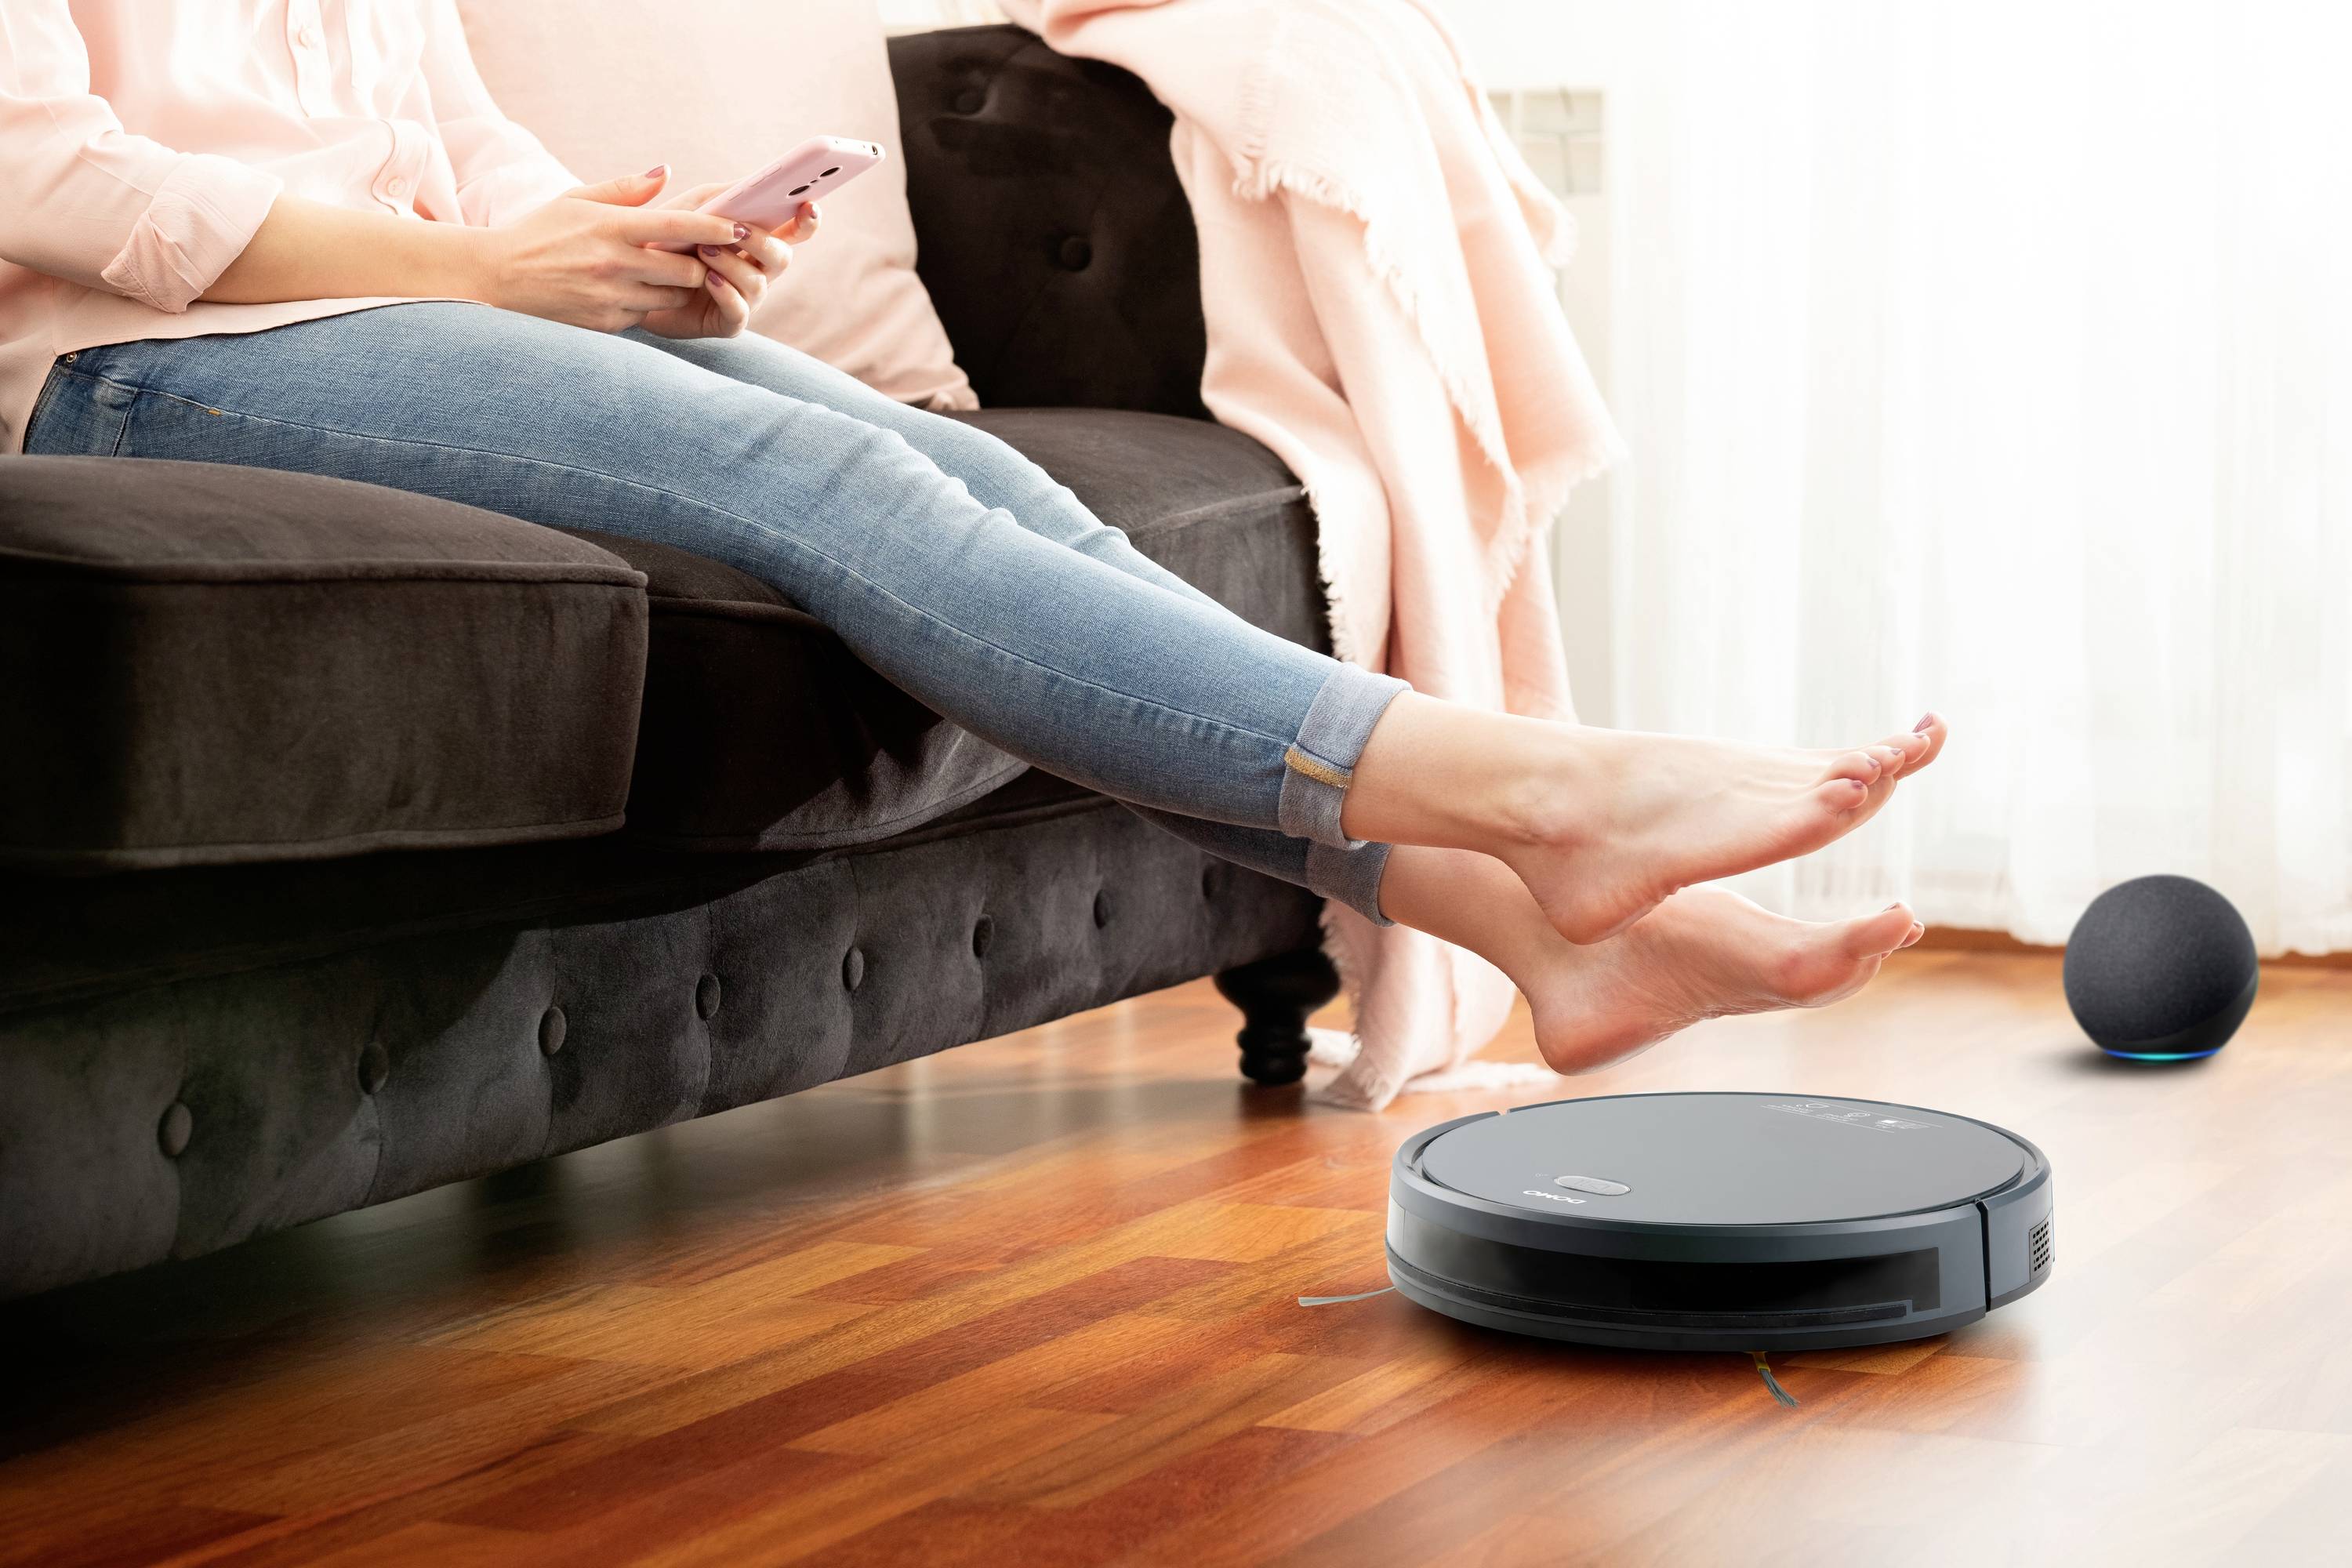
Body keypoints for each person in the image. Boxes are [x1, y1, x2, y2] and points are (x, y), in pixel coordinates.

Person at [0, 0, 1947, 1075]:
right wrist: (486, 266)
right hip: (136, 364)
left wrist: (628, 238)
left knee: (994, 489)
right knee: (830, 493)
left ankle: (1516, 921)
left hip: (428, 306)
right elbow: (54, 176)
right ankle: (1542, 794)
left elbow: (459, 135)